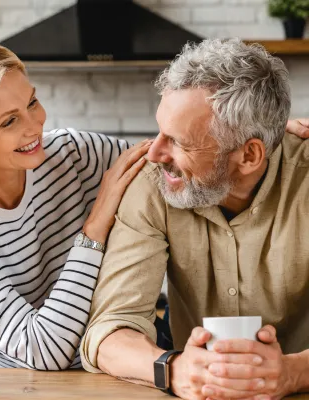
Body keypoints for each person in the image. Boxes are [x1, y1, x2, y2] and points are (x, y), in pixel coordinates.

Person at [80, 39, 309, 399]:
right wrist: (172, 370)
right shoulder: (152, 183)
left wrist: (294, 373)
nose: (155, 152)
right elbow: (108, 333)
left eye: (179, 142)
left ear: (249, 155)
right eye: (159, 131)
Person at [0, 42, 152, 369]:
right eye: (9, 121)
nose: (35, 126)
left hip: (100, 373)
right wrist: (94, 228)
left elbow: (166, 170)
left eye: (32, 103)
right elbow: (43, 350)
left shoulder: (74, 154)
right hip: (7, 386)